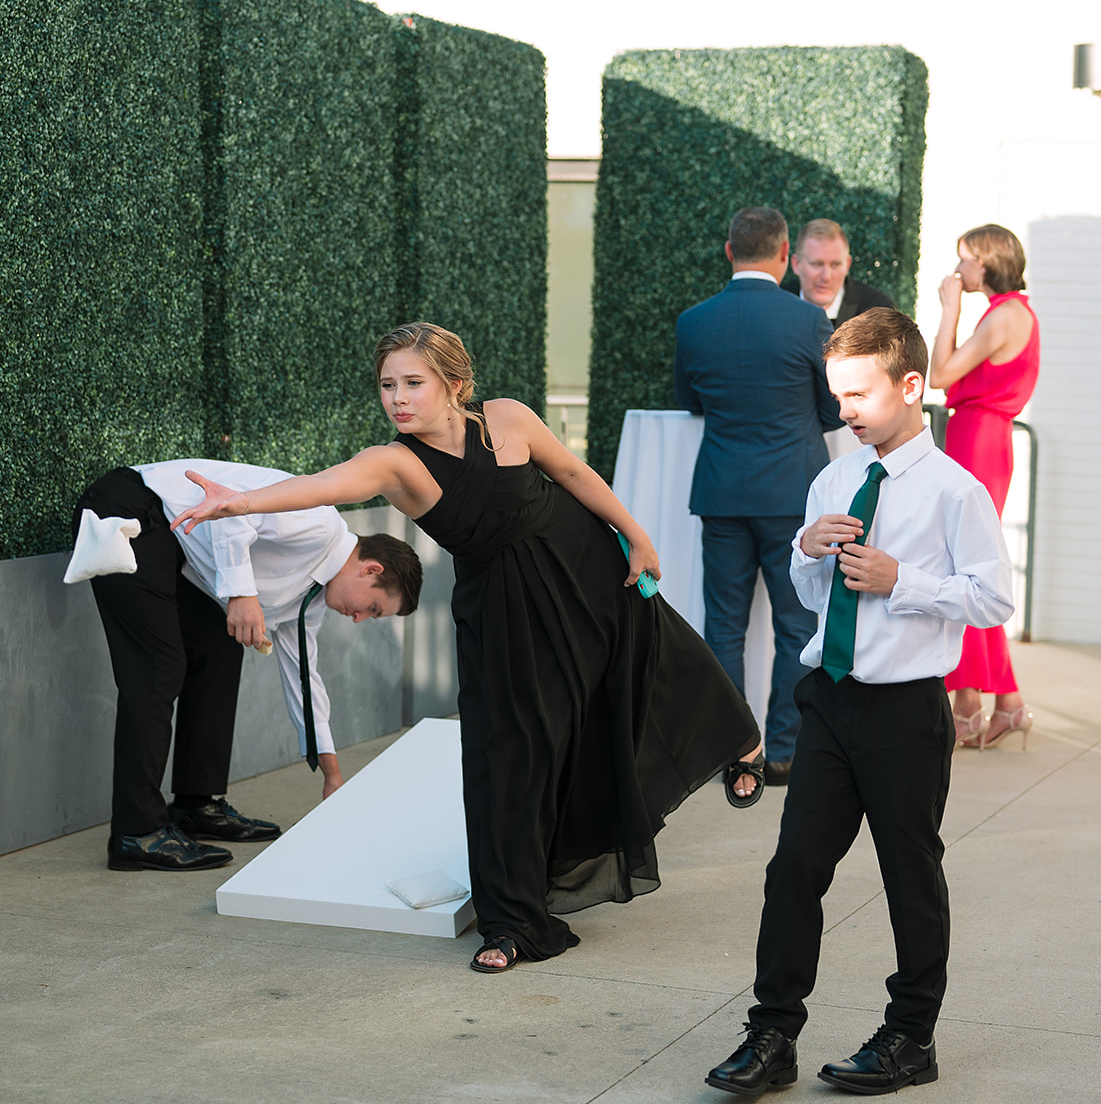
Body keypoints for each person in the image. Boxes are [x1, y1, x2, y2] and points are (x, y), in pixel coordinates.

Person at [173, 323, 762, 973]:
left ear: (455, 386)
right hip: (505, 614)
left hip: (582, 565)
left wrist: (636, 534)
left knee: (654, 654)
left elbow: (570, 472)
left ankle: (739, 739)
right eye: (387, 385)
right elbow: (329, 482)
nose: (397, 397)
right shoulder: (399, 462)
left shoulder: (508, 418)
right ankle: (512, 922)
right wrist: (240, 504)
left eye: (412, 383)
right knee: (509, 755)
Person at [705, 309, 1013, 1098]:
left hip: (905, 713)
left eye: (859, 393)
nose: (842, 408)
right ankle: (772, 1035)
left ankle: (911, 1037)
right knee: (794, 869)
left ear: (912, 387)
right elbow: (811, 596)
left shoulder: (955, 491)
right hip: (831, 704)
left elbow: (991, 600)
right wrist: (806, 552)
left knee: (909, 874)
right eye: (836, 391)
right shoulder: (835, 477)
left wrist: (900, 581)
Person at [71, 460, 422, 873]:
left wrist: (332, 775)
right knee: (159, 668)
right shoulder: (319, 523)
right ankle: (137, 833)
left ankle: (196, 805)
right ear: (371, 569)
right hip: (131, 509)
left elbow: (304, 679)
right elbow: (228, 514)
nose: (360, 618)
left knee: (221, 649)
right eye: (373, 608)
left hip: (173, 543)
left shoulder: (308, 601)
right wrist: (241, 594)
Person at [675, 207, 842, 787]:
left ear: (729, 252)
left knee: (723, 626)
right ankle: (785, 754)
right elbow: (830, 409)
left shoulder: (694, 322)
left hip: (721, 490)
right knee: (796, 624)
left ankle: (733, 750)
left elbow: (691, 402)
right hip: (793, 492)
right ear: (783, 253)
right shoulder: (809, 319)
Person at [929, 224, 1040, 750]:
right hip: (983, 438)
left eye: (965, 260)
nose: (958, 270)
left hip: (979, 440)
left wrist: (948, 309)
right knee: (972, 566)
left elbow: (940, 374)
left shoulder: (1003, 316)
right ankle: (1000, 703)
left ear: (988, 263)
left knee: (970, 569)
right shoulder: (1014, 312)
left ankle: (970, 704)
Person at [788, 218, 897, 328]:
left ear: (847, 265)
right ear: (796, 264)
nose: (826, 276)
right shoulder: (774, 306)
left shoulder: (877, 314)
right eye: (817, 264)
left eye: (835, 265)